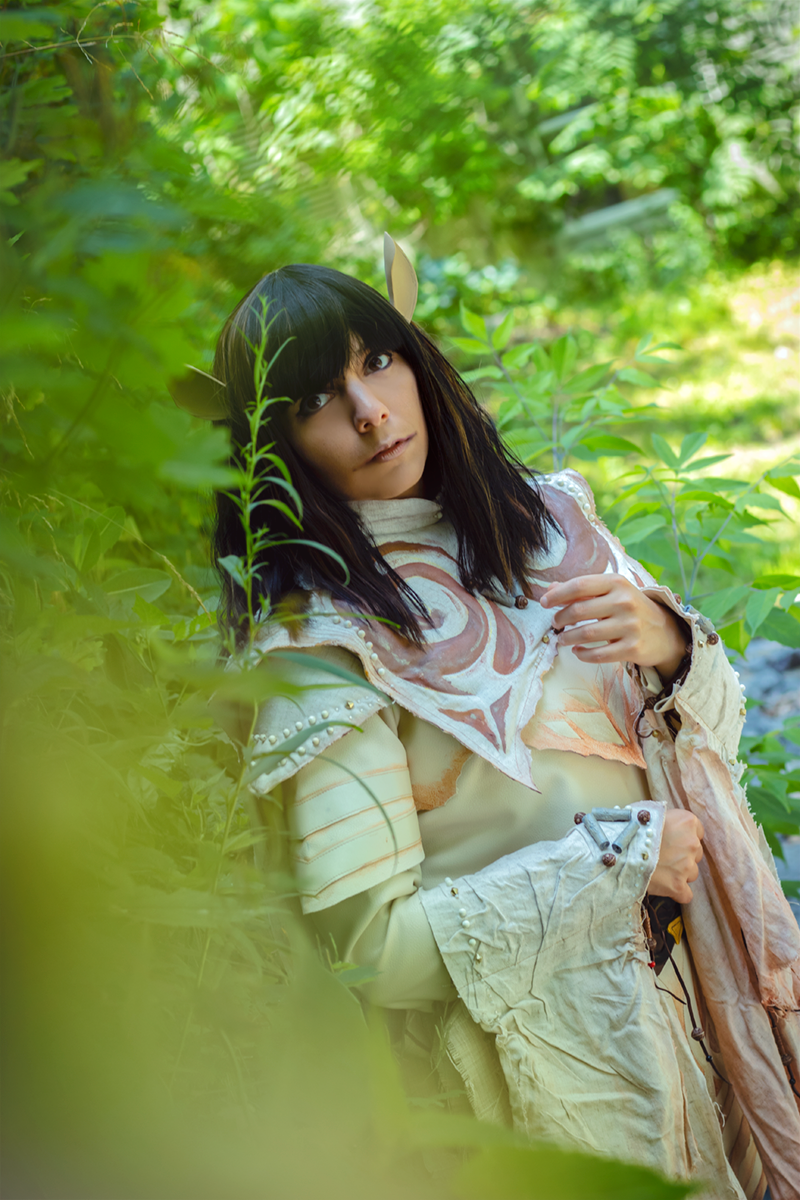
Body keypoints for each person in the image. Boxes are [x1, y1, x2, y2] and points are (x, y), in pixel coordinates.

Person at [174, 237, 800, 1199]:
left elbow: (714, 737)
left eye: (377, 360)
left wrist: (675, 646)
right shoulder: (317, 650)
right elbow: (369, 953)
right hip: (556, 1084)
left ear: (417, 360)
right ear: (272, 444)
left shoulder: (547, 522)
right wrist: (616, 862)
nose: (369, 410)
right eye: (315, 400)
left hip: (711, 1005)